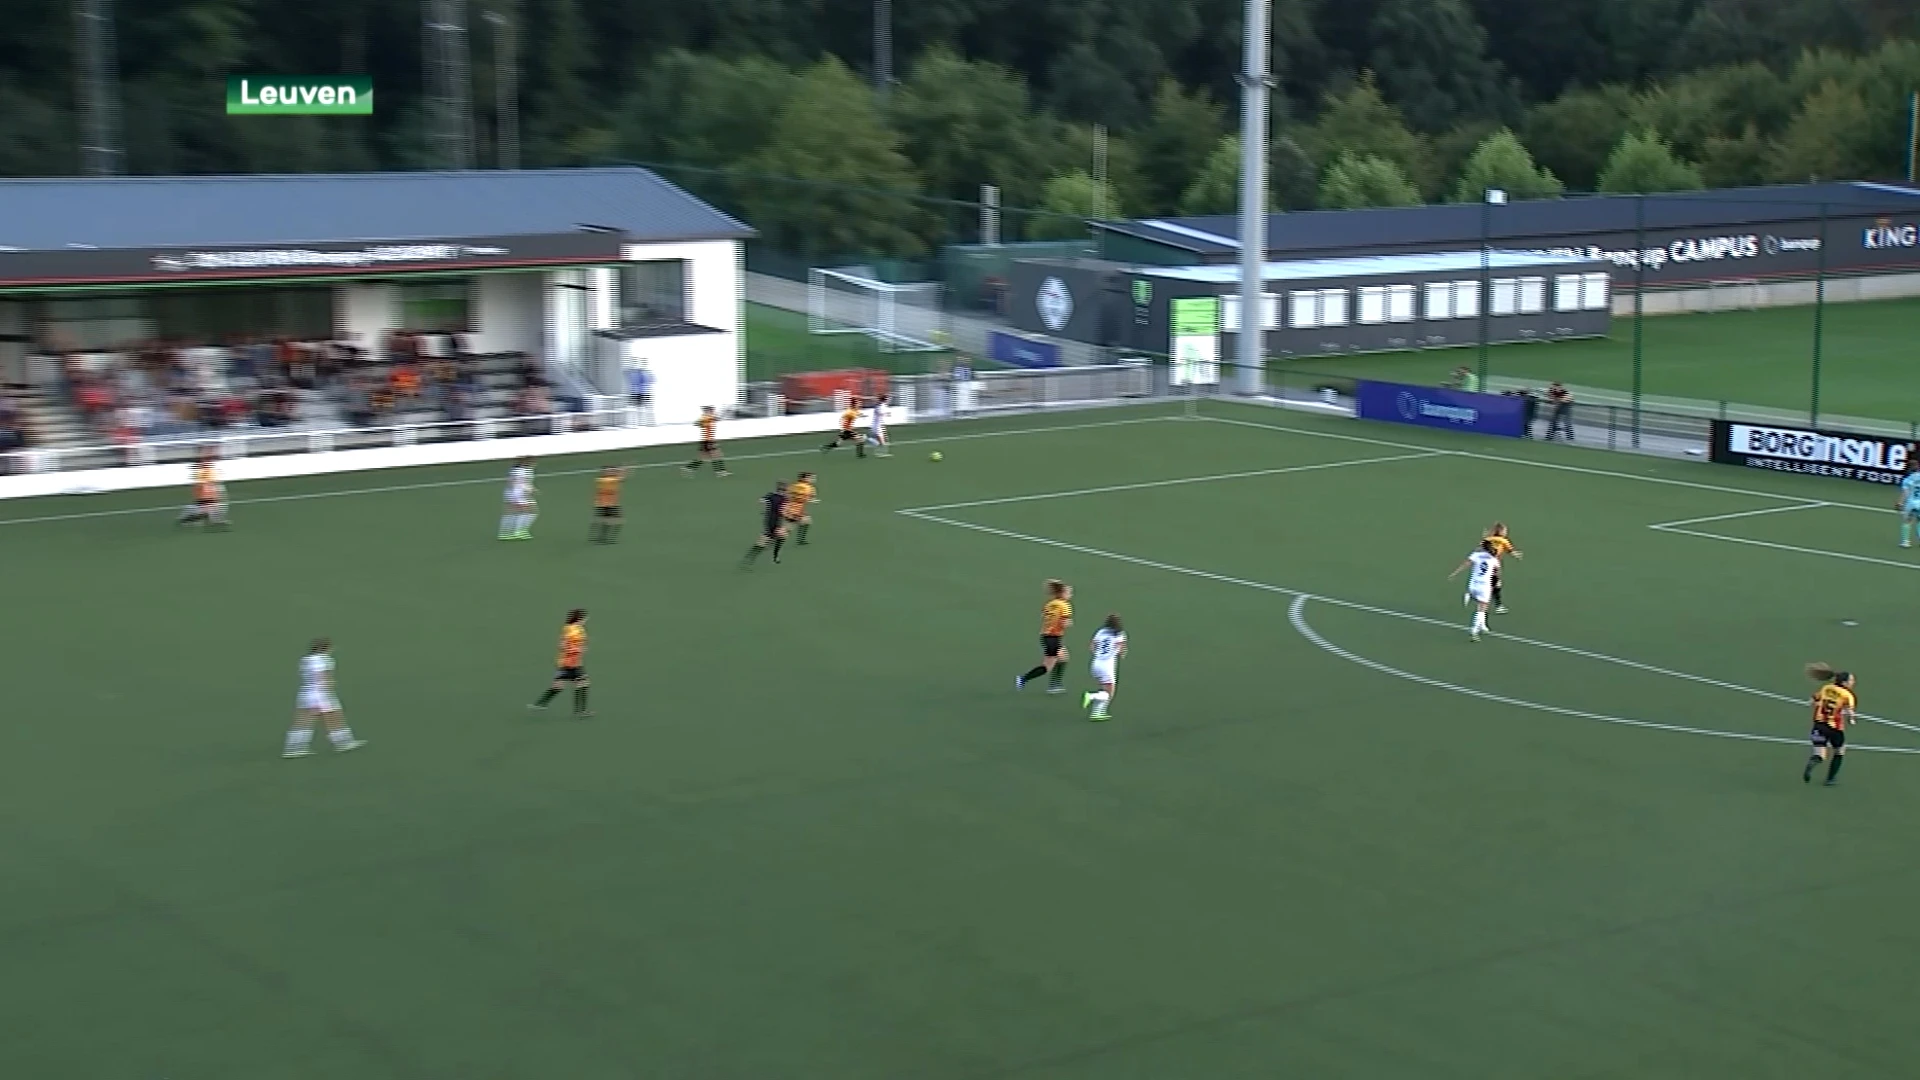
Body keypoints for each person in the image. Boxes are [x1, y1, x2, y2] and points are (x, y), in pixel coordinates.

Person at [283, 639, 365, 757]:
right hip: (320, 694)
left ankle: (293, 747)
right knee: (333, 717)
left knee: (304, 720)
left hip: (306, 693)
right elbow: (321, 676)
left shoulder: (306, 660)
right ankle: (342, 742)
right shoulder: (324, 659)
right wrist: (327, 689)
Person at [530, 609, 592, 717]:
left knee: (563, 685)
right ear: (579, 618)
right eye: (584, 618)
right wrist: (576, 649)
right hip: (569, 663)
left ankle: (540, 704)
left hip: (569, 663)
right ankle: (580, 711)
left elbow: (570, 644)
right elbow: (562, 645)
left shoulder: (576, 629)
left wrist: (580, 648)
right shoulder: (572, 630)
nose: (586, 620)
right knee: (580, 683)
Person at [1016, 580, 1074, 693]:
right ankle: (1024, 679)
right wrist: (1069, 623)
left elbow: (1044, 615)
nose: (1070, 595)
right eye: (1069, 593)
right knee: (1047, 666)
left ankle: (1055, 684)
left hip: (1046, 636)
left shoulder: (1050, 604)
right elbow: (1064, 623)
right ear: (1062, 593)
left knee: (1063, 658)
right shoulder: (1065, 606)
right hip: (1053, 637)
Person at [1803, 663, 1855, 786]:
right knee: (1840, 751)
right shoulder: (1847, 695)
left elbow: (1814, 698)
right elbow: (1849, 711)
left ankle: (1813, 761)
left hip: (1819, 725)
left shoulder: (1826, 688)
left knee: (1819, 754)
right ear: (1844, 683)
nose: (1853, 682)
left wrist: (1811, 702)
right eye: (1851, 680)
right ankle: (1830, 779)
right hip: (1835, 728)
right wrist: (1852, 719)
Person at [1448, 539, 1501, 641]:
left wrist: (1454, 574)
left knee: (1482, 606)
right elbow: (1497, 574)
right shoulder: (1494, 560)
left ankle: (1482, 625)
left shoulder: (1476, 555)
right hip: (1484, 586)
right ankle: (1474, 631)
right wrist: (1496, 583)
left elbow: (1465, 564)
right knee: (1482, 608)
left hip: (1473, 585)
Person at [1082, 614, 1128, 721]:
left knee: (1103, 690)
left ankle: (1097, 713)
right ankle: (1091, 696)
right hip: (1106, 666)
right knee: (1109, 693)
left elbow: (1092, 646)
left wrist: (1100, 654)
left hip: (1095, 663)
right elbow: (1121, 649)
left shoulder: (1101, 631)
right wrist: (1122, 653)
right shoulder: (1120, 634)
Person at [741, 480, 790, 568]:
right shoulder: (785, 499)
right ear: (785, 490)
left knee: (781, 536)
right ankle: (750, 559)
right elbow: (783, 511)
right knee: (764, 541)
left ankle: (771, 555)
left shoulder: (770, 495)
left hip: (768, 520)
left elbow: (761, 500)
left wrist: (768, 508)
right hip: (775, 521)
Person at [177, 448, 229, 530]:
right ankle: (186, 519)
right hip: (203, 494)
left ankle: (217, 520)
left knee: (212, 507)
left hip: (207, 493)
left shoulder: (206, 470)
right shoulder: (201, 472)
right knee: (203, 509)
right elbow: (200, 483)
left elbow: (210, 481)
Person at [1482, 523, 1522, 613]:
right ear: (1501, 531)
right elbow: (1510, 551)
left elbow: (1482, 548)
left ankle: (1495, 604)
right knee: (1496, 584)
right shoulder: (1503, 541)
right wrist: (1517, 555)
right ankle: (1498, 606)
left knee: (1490, 582)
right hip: (1494, 565)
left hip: (1484, 564)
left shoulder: (1488, 539)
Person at [499, 457, 537, 540]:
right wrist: (527, 491)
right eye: (533, 461)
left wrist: (531, 489)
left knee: (513, 512)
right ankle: (518, 532)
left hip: (514, 493)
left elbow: (514, 481)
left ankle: (505, 533)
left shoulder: (518, 469)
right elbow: (517, 482)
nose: (535, 463)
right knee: (529, 512)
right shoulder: (522, 471)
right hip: (518, 493)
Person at [684, 406, 728, 476]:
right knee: (717, 455)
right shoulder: (705, 418)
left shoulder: (708, 417)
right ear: (707, 411)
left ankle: (689, 467)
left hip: (707, 441)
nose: (713, 411)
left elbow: (716, 419)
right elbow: (697, 423)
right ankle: (720, 472)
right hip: (708, 441)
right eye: (711, 410)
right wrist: (705, 422)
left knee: (704, 457)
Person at [590, 466, 626, 544]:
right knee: (609, 521)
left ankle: (600, 537)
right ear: (603, 472)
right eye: (608, 471)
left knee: (616, 521)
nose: (611, 472)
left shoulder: (613, 479)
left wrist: (620, 472)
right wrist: (622, 471)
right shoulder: (602, 480)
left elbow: (621, 480)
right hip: (604, 504)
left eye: (612, 471)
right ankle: (601, 539)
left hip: (613, 503)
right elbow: (620, 479)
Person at [781, 471, 817, 546]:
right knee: (788, 529)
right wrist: (810, 499)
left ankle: (801, 539)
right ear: (804, 478)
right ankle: (771, 541)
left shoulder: (795, 485)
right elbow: (801, 497)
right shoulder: (806, 488)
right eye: (811, 477)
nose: (813, 479)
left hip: (797, 510)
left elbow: (788, 495)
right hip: (794, 510)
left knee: (807, 521)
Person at [1898, 457, 1920, 548]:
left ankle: (1906, 542)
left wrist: (1900, 503)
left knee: (1907, 521)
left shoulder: (1907, 480)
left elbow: (1905, 493)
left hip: (1911, 503)